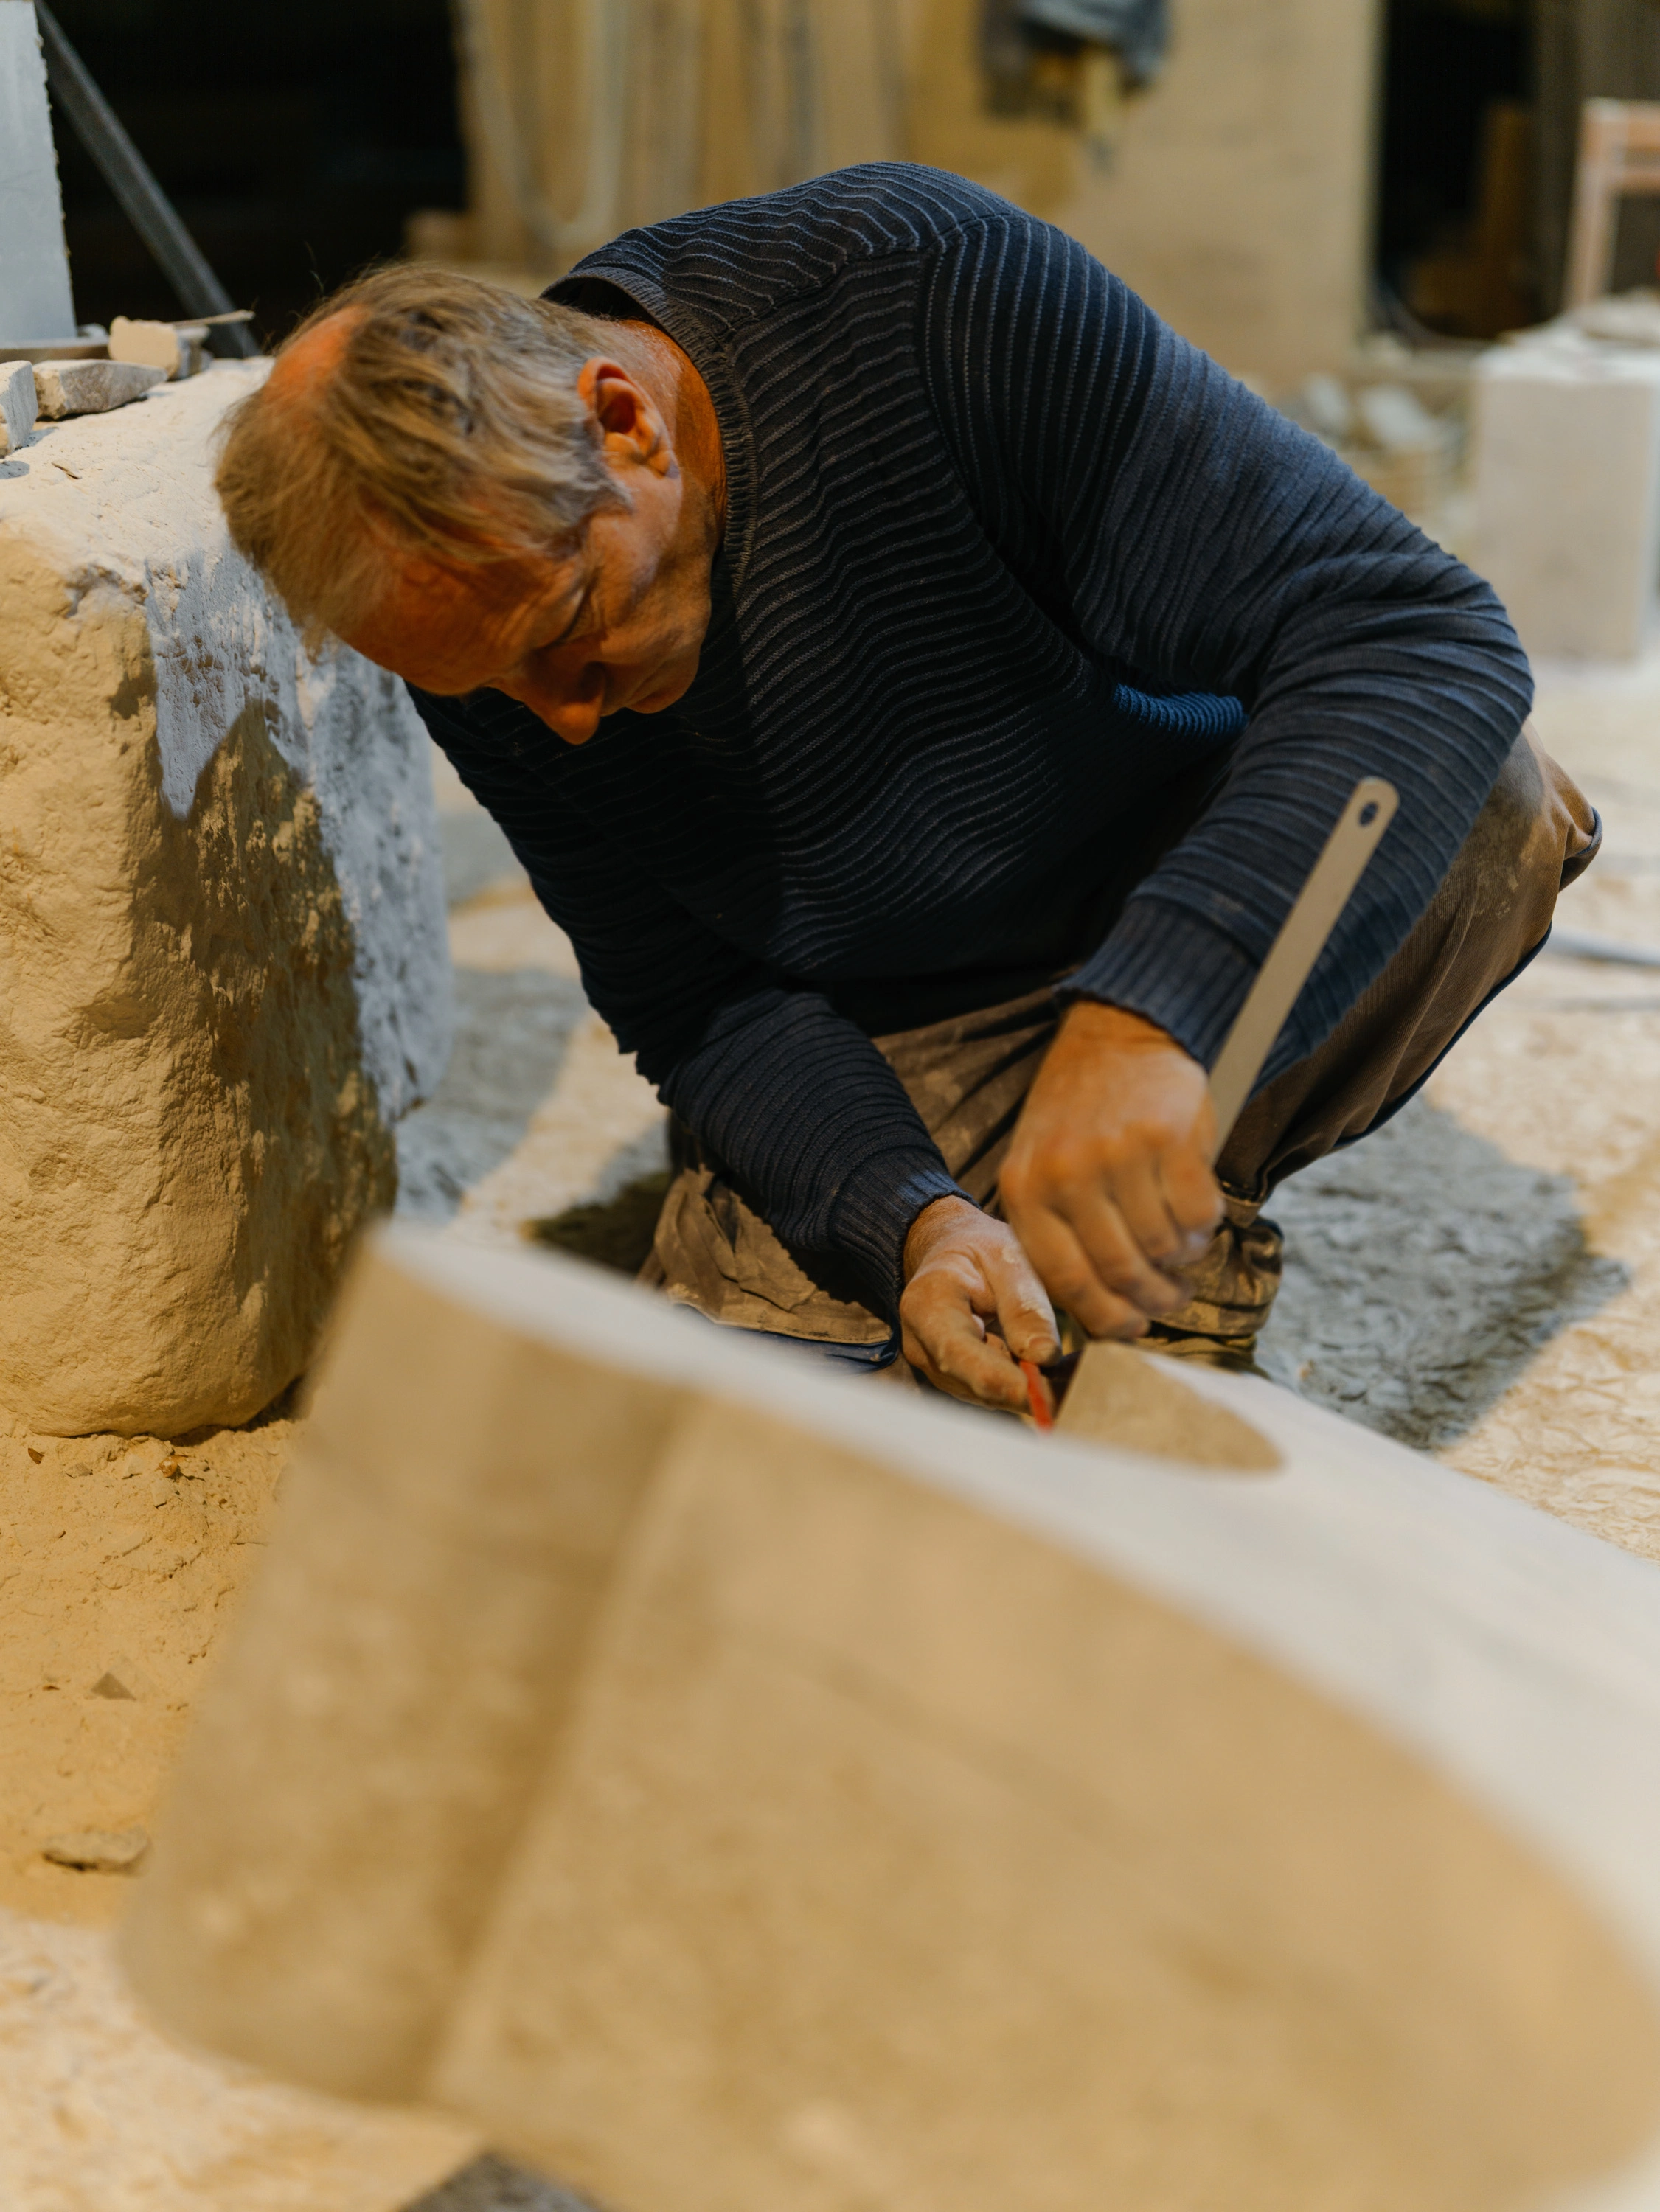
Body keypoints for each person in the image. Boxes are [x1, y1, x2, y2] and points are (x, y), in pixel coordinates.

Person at [215, 164, 1597, 1415]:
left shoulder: (919, 296)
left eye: (571, 631)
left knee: (1467, 794)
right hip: (902, 1011)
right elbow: (695, 1002)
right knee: (774, 1405)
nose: (562, 723)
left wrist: (1157, 1014)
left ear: (622, 421)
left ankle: (1170, 1221)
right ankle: (1017, 1210)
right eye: (491, 689)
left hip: (1162, 853)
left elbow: (1414, 640)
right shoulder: (488, 630)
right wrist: (913, 1219)